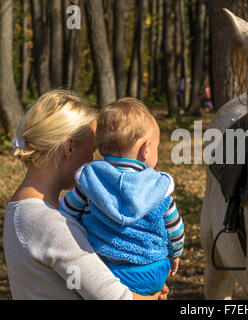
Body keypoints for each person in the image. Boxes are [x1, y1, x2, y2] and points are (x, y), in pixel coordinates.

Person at [3, 90, 168, 300]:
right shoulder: (50, 223)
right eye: (92, 149)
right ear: (69, 147)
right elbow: (114, 297)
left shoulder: (20, 209)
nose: (93, 159)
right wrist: (154, 296)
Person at [59, 98, 185, 297]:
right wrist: (175, 254)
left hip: (105, 270)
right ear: (146, 149)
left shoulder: (91, 180)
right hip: (153, 271)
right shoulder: (158, 187)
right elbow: (175, 229)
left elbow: (66, 212)